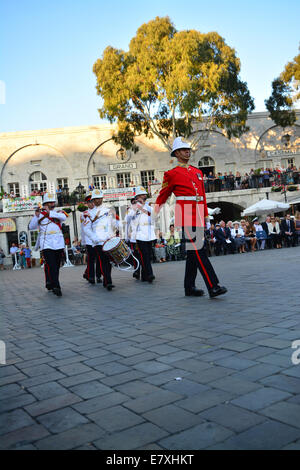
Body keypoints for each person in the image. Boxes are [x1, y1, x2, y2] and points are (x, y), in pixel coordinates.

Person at [155, 136, 227, 298]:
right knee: (199, 250)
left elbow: (202, 195)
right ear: (176, 153)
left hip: (199, 214)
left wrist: (206, 216)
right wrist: (155, 211)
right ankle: (213, 286)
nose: (187, 152)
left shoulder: (197, 172)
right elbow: (163, 195)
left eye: (188, 149)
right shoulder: (171, 174)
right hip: (185, 212)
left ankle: (189, 287)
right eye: (183, 150)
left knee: (194, 252)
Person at [28, 193, 68, 296]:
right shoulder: (40, 215)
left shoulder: (58, 213)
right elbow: (32, 226)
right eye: (49, 202)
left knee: (56, 265)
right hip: (47, 244)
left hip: (58, 243)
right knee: (52, 265)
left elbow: (63, 217)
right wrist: (36, 216)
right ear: (45, 203)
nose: (52, 204)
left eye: (53, 202)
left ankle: (51, 282)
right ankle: (56, 286)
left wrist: (49, 213)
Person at [83, 189, 118, 291]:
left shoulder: (108, 211)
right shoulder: (89, 214)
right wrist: (95, 238)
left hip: (108, 239)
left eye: (99, 198)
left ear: (102, 199)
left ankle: (106, 279)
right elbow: (86, 229)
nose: (98, 200)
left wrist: (117, 229)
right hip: (98, 241)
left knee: (108, 261)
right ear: (93, 200)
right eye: (95, 199)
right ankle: (108, 282)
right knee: (103, 261)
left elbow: (113, 224)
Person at [134, 186, 156, 283]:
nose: (144, 196)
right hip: (140, 235)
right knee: (145, 255)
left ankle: (144, 275)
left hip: (149, 234)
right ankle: (150, 274)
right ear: (137, 197)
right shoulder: (134, 208)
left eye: (144, 195)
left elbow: (154, 218)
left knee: (148, 255)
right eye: (142, 195)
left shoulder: (149, 207)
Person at [81, 193, 102, 285]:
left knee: (99, 259)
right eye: (89, 202)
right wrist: (83, 241)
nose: (91, 203)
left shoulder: (99, 211)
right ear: (87, 204)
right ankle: (91, 276)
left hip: (98, 239)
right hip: (90, 240)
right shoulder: (85, 214)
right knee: (91, 259)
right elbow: (84, 228)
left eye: (92, 201)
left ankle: (98, 275)